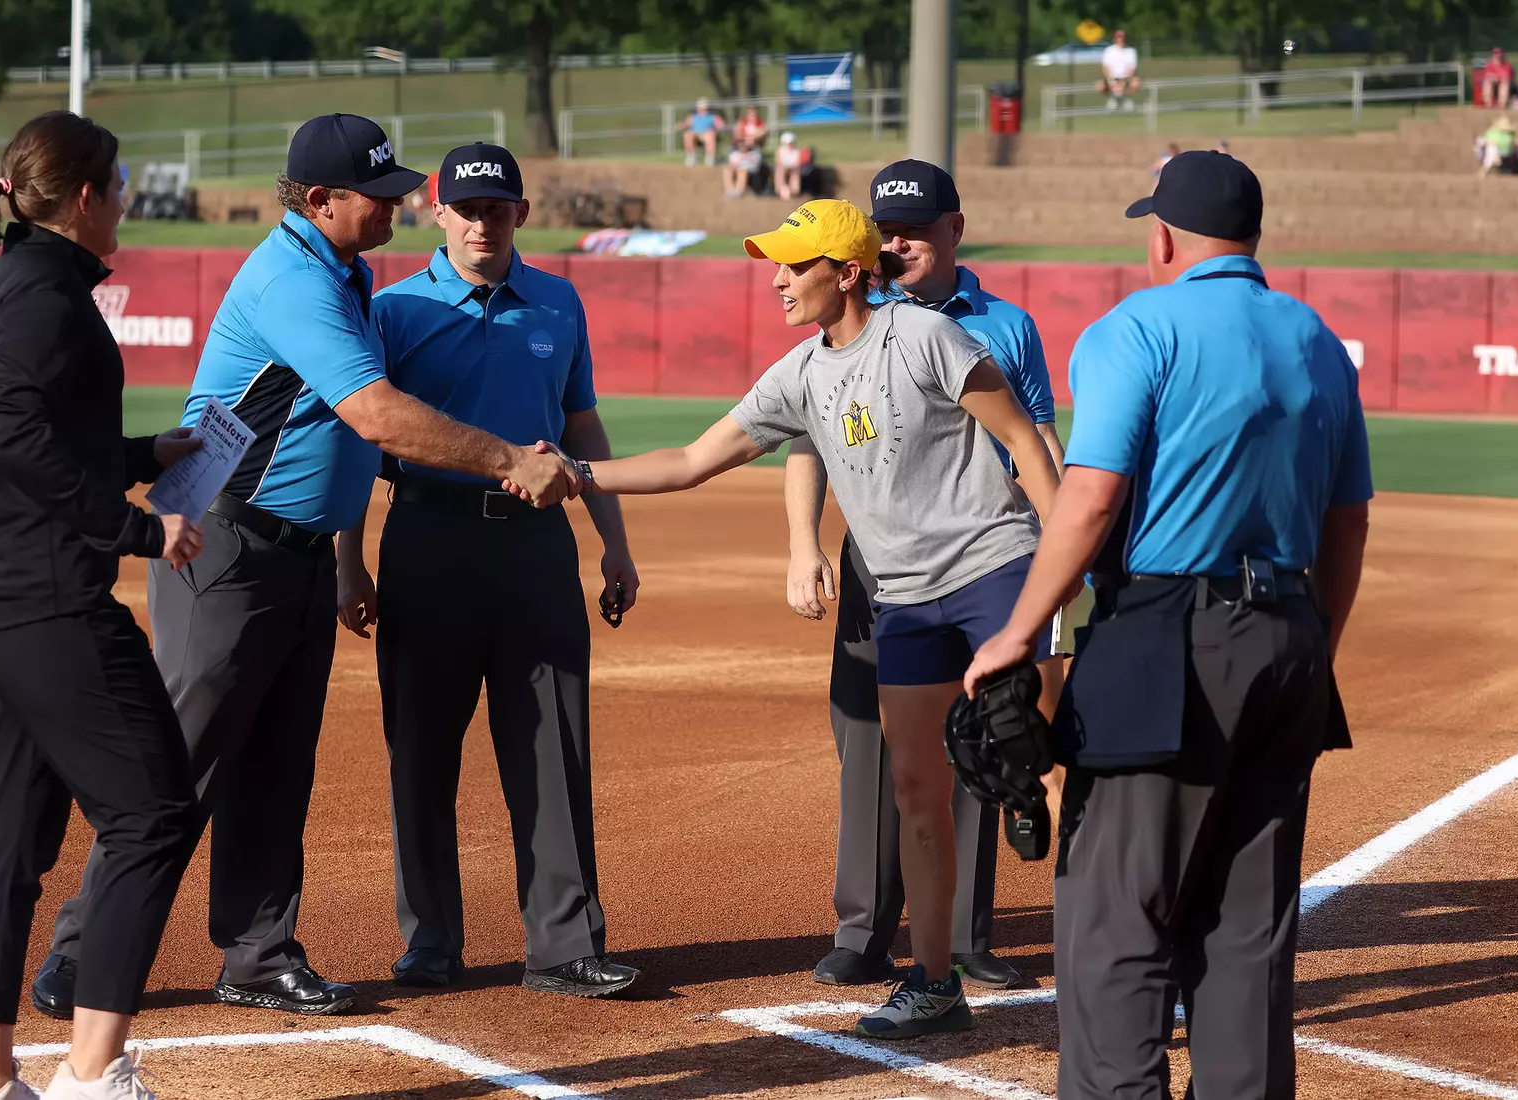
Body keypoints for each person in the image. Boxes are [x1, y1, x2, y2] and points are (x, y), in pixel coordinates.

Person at [30, 113, 579, 1023]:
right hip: (221, 542)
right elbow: (376, 416)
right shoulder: (294, 279)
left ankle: (258, 952)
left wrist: (342, 557)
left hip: (289, 553)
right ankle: (83, 950)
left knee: (278, 764)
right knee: (181, 763)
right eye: (381, 190)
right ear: (320, 201)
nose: (402, 201)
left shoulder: (343, 269)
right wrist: (507, 459)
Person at [513, 199, 1063, 1038]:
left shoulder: (922, 336)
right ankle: (935, 980)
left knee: (1046, 750)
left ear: (847, 273)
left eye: (793, 265)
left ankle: (1116, 935)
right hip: (907, 600)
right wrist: (581, 473)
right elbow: (694, 460)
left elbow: (1024, 442)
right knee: (919, 790)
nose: (775, 278)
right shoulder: (801, 373)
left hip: (994, 567)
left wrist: (1059, 573)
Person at [963, 150, 1371, 1099]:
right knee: (1247, 929)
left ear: (1162, 236)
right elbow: (1349, 521)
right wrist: (1316, 643)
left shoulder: (1135, 327)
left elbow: (1094, 495)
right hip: (1289, 639)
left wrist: (1021, 628)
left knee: (1117, 920)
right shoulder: (1314, 337)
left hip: (1167, 637)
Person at [339, 142, 642, 998]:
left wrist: (613, 541)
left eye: (498, 207)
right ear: (437, 212)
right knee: (421, 751)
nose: (482, 222)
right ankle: (429, 943)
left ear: (520, 212)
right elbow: (364, 443)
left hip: (537, 546)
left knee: (553, 744)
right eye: (466, 208)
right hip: (427, 543)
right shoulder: (393, 312)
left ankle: (564, 945)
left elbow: (582, 427)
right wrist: (349, 560)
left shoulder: (558, 301)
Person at [784, 161, 1064, 992]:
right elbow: (806, 439)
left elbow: (1037, 439)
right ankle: (864, 929)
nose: (895, 241)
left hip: (980, 559)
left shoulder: (1006, 326)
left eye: (912, 226)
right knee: (873, 743)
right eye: (883, 228)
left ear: (955, 229)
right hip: (881, 560)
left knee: (981, 731)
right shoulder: (854, 313)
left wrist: (1054, 550)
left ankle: (966, 935)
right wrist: (805, 542)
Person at [0, 110, 205, 1100]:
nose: (126, 202)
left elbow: (32, 441)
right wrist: (136, 528)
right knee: (154, 807)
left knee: (5, 843)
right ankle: (93, 1067)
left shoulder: (17, 283)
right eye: (117, 186)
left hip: (0, 595)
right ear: (83, 196)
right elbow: (12, 438)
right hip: (49, 598)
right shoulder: (43, 296)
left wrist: (141, 457)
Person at [1096, 29, 1142, 111]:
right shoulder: (1109, 51)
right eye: (1119, 38)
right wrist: (1111, 81)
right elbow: (1106, 67)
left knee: (1136, 82)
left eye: (1122, 38)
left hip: (1126, 78)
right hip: (1112, 77)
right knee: (1100, 86)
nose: (1121, 40)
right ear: (1115, 39)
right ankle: (1112, 99)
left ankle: (1127, 99)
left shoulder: (1131, 51)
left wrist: (1123, 82)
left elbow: (1132, 69)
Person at [678, 99, 724, 166]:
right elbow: (686, 124)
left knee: (710, 135)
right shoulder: (693, 116)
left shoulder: (713, 116)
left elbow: (721, 125)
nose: (702, 109)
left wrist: (715, 130)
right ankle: (691, 157)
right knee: (688, 135)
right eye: (701, 108)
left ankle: (710, 158)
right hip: (695, 134)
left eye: (704, 108)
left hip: (707, 134)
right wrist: (681, 125)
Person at [774, 132, 806, 201]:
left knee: (795, 173)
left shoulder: (797, 151)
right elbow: (779, 162)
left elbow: (798, 162)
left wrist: (792, 167)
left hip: (793, 168)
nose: (790, 145)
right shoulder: (780, 151)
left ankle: (795, 191)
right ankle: (780, 190)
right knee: (780, 171)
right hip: (783, 168)